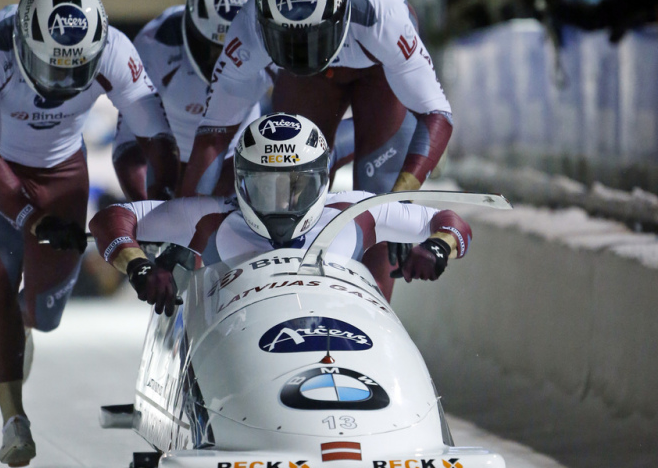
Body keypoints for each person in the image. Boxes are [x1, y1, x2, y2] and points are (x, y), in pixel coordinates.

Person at [0, 0, 180, 468]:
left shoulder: (115, 51)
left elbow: (156, 139)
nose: (61, 88)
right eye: (50, 70)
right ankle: (14, 419)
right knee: (1, 263)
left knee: (45, 314)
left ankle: (26, 323)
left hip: (63, 171)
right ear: (22, 44)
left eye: (75, 73)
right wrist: (31, 218)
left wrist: (168, 211)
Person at [179, 0, 454, 300]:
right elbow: (213, 137)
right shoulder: (249, 26)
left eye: (312, 38)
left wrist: (398, 201)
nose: (302, 52)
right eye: (288, 40)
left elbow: (437, 114)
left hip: (379, 74)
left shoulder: (380, 12)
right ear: (266, 20)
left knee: (380, 211)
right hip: (305, 81)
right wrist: (184, 234)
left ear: (340, 15)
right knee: (279, 189)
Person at [85, 113, 473, 317]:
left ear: (321, 182)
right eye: (266, 187)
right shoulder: (209, 217)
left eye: (296, 187)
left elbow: (451, 224)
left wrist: (438, 248)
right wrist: (138, 266)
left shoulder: (352, 212)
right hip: (236, 336)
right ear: (241, 184)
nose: (282, 203)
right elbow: (113, 218)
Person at [112, 0, 263, 200]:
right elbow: (129, 143)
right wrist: (149, 208)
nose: (226, 67)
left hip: (231, 157)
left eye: (238, 53)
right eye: (216, 51)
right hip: (166, 159)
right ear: (190, 32)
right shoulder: (155, 46)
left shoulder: (271, 44)